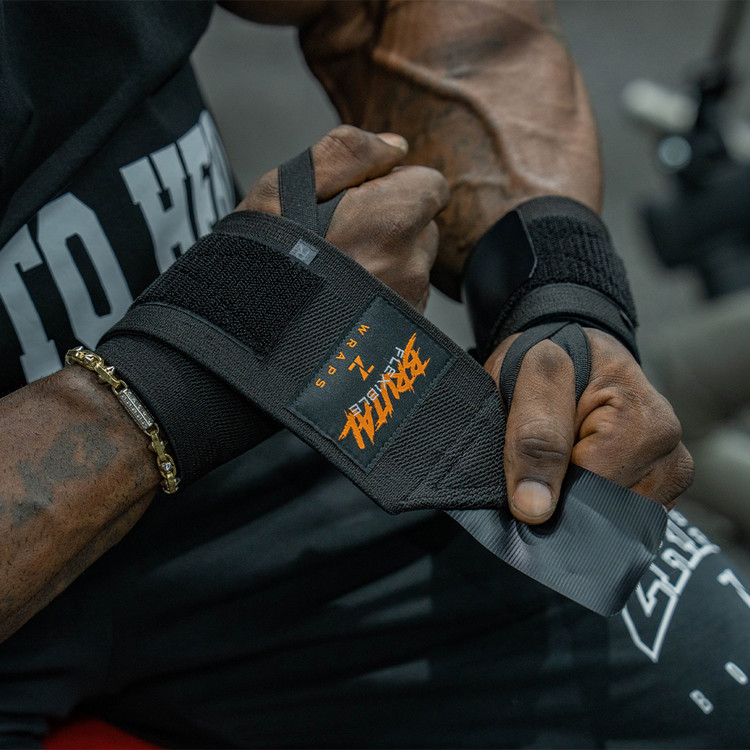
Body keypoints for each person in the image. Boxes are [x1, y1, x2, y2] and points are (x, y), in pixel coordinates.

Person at [0, 1, 745, 747]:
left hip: (259, 439)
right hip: (78, 516)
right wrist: (216, 341)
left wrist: (558, 286)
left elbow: (397, 11)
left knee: (725, 684)